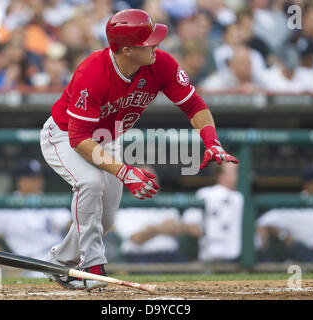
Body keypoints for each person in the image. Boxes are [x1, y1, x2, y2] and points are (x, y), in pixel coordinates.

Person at [39, 9, 238, 291]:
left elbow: (193, 105)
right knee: (90, 183)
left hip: (108, 138)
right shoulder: (92, 72)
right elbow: (79, 138)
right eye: (148, 42)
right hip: (64, 135)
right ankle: (92, 265)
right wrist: (124, 171)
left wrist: (211, 140)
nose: (156, 45)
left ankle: (60, 261)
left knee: (105, 217)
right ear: (127, 49)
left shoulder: (160, 64)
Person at [0, 159, 72, 274]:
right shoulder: (7, 205)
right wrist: (2, 258)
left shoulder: (47, 201)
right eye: (33, 178)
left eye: (40, 177)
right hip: (31, 264)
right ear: (21, 181)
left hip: (58, 258)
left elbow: (71, 224)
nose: (39, 181)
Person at [113, 165, 201, 263]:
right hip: (139, 259)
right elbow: (137, 238)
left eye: (153, 178)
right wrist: (159, 228)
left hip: (172, 257)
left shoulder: (166, 203)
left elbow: (176, 229)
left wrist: (150, 230)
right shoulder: (126, 208)